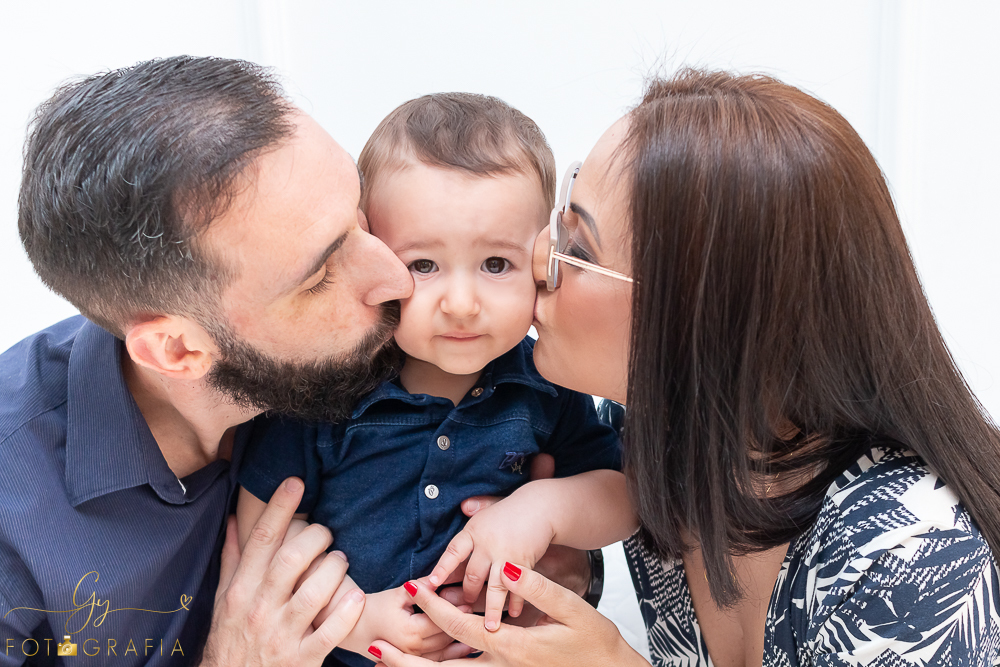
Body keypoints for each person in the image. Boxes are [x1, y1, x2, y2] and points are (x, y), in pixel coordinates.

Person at [370, 68, 1000, 666]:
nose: (538, 264)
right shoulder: (658, 448)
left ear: (696, 313)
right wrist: (568, 570)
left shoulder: (911, 554)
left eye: (577, 248)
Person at [1, 55, 414, 666]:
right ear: (178, 350)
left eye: (358, 215)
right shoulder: (13, 507)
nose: (398, 277)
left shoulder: (374, 351)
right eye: (322, 273)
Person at [234, 93, 623, 667]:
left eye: (496, 265)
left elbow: (622, 492)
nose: (462, 304)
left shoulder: (544, 381)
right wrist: (352, 617)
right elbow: (267, 523)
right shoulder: (331, 387)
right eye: (423, 265)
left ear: (543, 257)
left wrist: (543, 508)